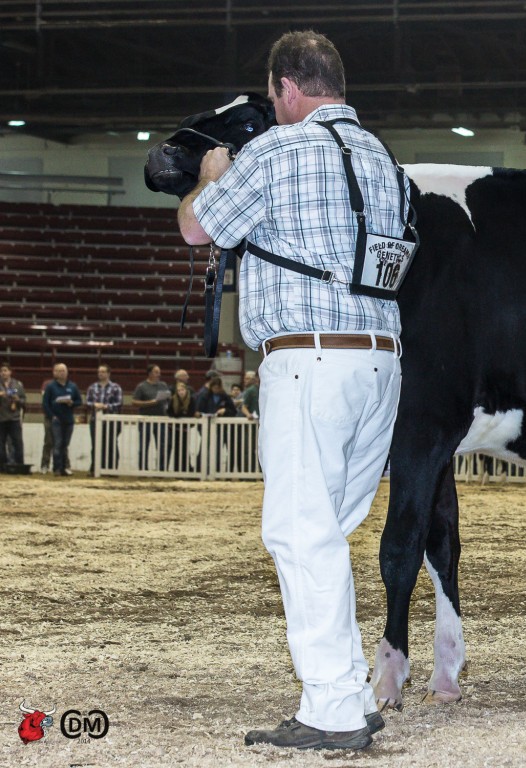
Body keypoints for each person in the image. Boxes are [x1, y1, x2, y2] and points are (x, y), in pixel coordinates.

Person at [177, 29, 406, 751]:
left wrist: (214, 173)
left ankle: (334, 711)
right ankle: (341, 688)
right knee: (326, 534)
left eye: (274, 95)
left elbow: (193, 228)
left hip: (310, 363)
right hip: (382, 363)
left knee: (299, 534)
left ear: (286, 87)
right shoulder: (382, 158)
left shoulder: (274, 151)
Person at [42, 363, 82, 477]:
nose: (61, 373)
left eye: (63, 370)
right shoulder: (50, 386)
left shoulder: (73, 386)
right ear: (54, 373)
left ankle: (65, 467)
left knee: (65, 444)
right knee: (57, 444)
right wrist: (51, 416)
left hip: (68, 419)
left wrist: (72, 403)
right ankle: (57, 468)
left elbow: (79, 401)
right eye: (59, 371)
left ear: (67, 372)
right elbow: (45, 403)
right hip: (56, 420)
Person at [133, 364, 171, 472]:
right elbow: (134, 401)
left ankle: (162, 469)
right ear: (149, 373)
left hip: (161, 419)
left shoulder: (163, 385)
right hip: (146, 420)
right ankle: (143, 469)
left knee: (163, 445)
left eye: (159, 372)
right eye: (156, 372)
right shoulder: (141, 386)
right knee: (144, 445)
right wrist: (150, 402)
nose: (159, 374)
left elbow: (168, 399)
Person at [85, 364, 123, 473]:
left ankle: (112, 469)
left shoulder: (116, 387)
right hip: (95, 420)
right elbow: (87, 402)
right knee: (96, 444)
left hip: (111, 421)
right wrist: (94, 405)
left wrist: (107, 406)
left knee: (111, 444)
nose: (100, 374)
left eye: (103, 372)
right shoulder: (92, 387)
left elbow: (119, 403)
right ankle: (95, 468)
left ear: (108, 373)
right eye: (99, 372)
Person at [0, 363, 26, 470]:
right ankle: (2, 466)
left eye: (5, 370)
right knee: (0, 444)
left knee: (17, 443)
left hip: (14, 419)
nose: (3, 373)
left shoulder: (17, 385)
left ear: (10, 372)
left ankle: (19, 465)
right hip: (1, 419)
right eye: (1, 371)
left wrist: (17, 399)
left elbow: (24, 400)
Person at [167, 379, 197, 472]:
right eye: (179, 390)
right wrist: (181, 414)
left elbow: (191, 412)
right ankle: (177, 468)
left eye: (182, 390)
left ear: (186, 390)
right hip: (174, 428)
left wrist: (181, 415)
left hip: (185, 428)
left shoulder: (191, 399)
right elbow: (170, 412)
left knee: (185, 447)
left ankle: (185, 468)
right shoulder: (173, 399)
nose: (181, 392)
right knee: (176, 448)